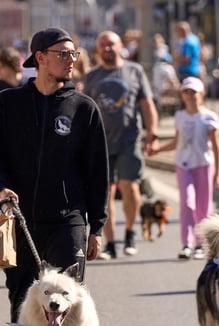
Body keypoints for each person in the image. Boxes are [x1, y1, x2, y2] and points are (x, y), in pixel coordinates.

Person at [0, 27, 109, 326]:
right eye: (63, 53)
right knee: (23, 298)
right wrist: (1, 189)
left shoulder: (83, 108)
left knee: (68, 297)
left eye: (74, 54)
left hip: (68, 219)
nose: (72, 60)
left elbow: (98, 173)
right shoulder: (8, 104)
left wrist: (96, 227)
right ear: (40, 57)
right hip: (20, 219)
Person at [84, 30, 159, 258]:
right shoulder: (92, 76)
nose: (107, 48)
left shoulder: (134, 71)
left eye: (111, 44)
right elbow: (84, 109)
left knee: (130, 187)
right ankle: (110, 243)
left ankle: (129, 233)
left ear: (120, 47)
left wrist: (152, 133)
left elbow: (147, 105)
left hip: (129, 138)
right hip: (101, 142)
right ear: (98, 49)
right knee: (104, 194)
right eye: (103, 45)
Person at [149, 77, 219, 259]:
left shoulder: (209, 117)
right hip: (184, 165)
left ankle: (200, 244)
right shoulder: (180, 116)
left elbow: (216, 146)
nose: (190, 96)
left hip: (204, 165)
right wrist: (158, 149)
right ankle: (186, 243)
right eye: (186, 92)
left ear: (202, 94)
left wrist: (218, 174)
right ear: (182, 95)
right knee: (187, 204)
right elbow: (176, 141)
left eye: (193, 92)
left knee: (203, 207)